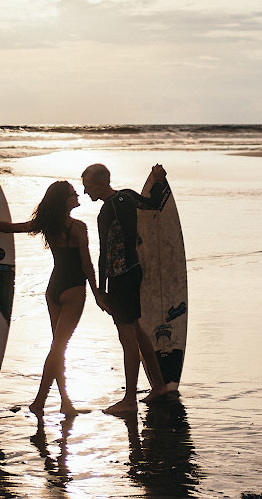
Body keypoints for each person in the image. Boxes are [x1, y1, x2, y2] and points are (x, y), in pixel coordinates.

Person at [0, 179, 101, 418]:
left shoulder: (46, 223)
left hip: (54, 288)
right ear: (63, 200)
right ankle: (39, 401)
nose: (77, 195)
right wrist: (99, 294)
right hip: (73, 290)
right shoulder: (78, 227)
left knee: (57, 348)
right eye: (72, 193)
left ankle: (64, 401)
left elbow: (10, 228)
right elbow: (87, 265)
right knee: (58, 348)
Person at [81, 162, 170, 415]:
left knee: (127, 338)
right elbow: (153, 203)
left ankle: (130, 400)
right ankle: (160, 386)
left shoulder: (106, 212)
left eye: (88, 186)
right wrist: (158, 179)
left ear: (101, 183)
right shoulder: (128, 197)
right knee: (137, 331)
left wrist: (100, 290)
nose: (86, 192)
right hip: (134, 270)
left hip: (120, 277)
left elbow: (104, 254)